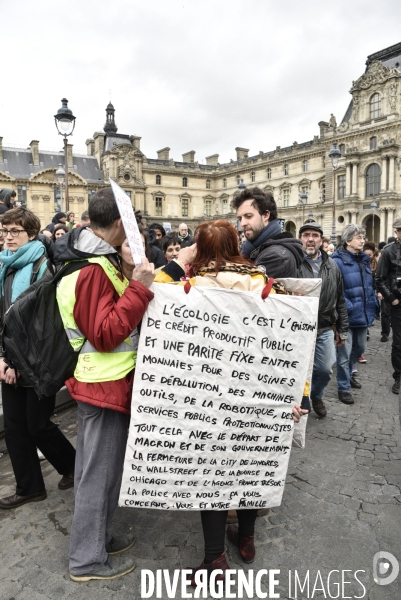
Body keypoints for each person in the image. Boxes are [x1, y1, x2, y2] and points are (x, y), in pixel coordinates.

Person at [154, 220, 308, 584]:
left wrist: (180, 261)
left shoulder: (186, 287)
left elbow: (150, 291)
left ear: (199, 249)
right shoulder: (265, 284)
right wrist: (297, 395)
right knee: (249, 468)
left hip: (207, 401)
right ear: (237, 245)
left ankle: (214, 561)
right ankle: (247, 541)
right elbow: (292, 343)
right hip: (259, 396)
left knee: (211, 476)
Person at [53, 187, 155, 582]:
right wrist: (140, 287)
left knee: (99, 469)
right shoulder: (92, 269)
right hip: (103, 386)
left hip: (103, 384)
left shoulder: (93, 257)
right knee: (99, 474)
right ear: (118, 224)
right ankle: (87, 560)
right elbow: (106, 333)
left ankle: (97, 538)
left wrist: (130, 274)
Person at [0, 207, 76, 510]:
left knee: (37, 424)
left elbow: (40, 326)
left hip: (37, 361)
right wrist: (3, 359)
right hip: (8, 360)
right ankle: (30, 487)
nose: (7, 237)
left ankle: (74, 466)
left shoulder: (44, 268)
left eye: (14, 231)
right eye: (4, 231)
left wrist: (16, 361)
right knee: (16, 428)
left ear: (31, 233)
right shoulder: (4, 267)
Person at [298, 222, 348, 418]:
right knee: (298, 370)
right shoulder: (293, 263)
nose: (311, 239)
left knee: (326, 368)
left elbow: (340, 299)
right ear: (300, 238)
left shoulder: (332, 265)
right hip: (298, 328)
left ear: (321, 240)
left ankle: (316, 395)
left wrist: (342, 330)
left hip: (324, 327)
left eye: (315, 236)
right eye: (306, 235)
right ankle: (297, 404)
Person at [332, 225, 376, 404]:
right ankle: (343, 387)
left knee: (360, 349)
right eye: (358, 237)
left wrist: (372, 303)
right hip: (346, 315)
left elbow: (368, 286)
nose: (363, 240)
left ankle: (348, 374)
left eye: (363, 237)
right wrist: (348, 308)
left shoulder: (364, 259)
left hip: (363, 314)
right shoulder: (336, 261)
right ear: (348, 240)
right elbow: (336, 290)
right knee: (343, 353)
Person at [231, 187, 304, 278]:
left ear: (266, 215)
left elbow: (244, 290)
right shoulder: (255, 249)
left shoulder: (274, 257)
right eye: (240, 219)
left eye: (248, 216)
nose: (242, 223)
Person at [376, 218, 401, 393]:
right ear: (396, 232)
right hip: (397, 302)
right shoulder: (388, 252)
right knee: (398, 342)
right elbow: (379, 278)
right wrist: (391, 298)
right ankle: (398, 377)